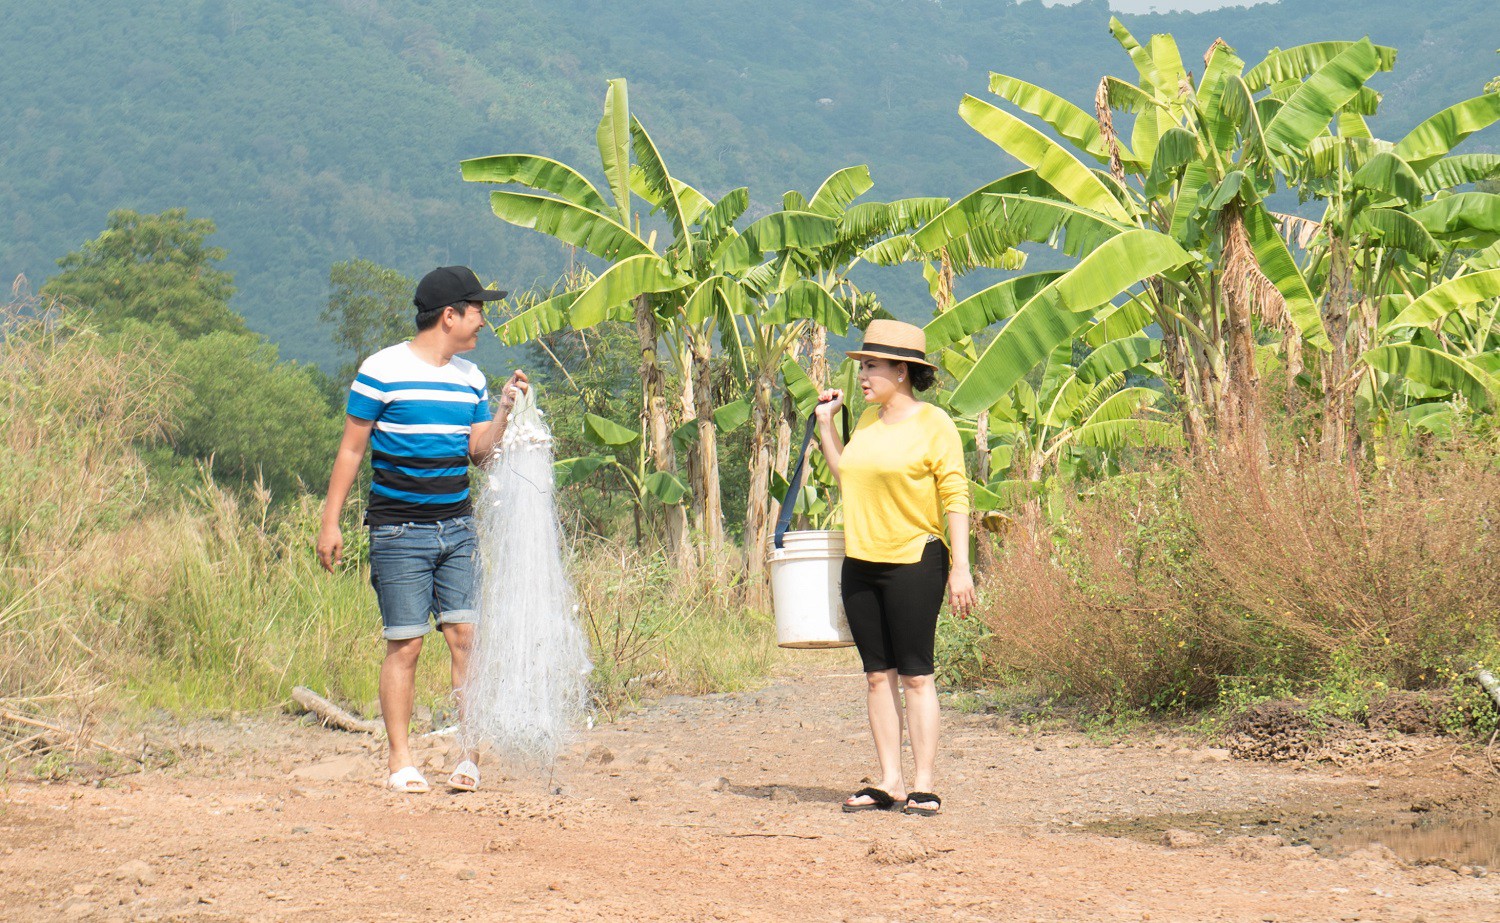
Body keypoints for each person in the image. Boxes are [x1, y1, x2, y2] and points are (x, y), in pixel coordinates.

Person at [316, 265, 528, 794]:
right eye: (477, 310)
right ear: (449, 315)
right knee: (405, 645)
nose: (483, 320)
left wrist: (503, 410)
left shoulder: (472, 379)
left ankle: (468, 757)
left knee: (466, 639)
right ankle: (401, 761)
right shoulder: (381, 370)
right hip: (397, 532)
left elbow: (479, 453)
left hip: (457, 528)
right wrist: (330, 521)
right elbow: (351, 449)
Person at [815, 318, 976, 817]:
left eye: (872, 367)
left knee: (915, 675)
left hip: (914, 560)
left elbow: (955, 495)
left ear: (902, 371)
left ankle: (924, 784)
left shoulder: (935, 424)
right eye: (862, 366)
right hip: (861, 561)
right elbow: (850, 477)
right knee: (876, 677)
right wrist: (825, 427)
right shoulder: (865, 422)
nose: (862, 376)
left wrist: (961, 567)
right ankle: (889, 781)